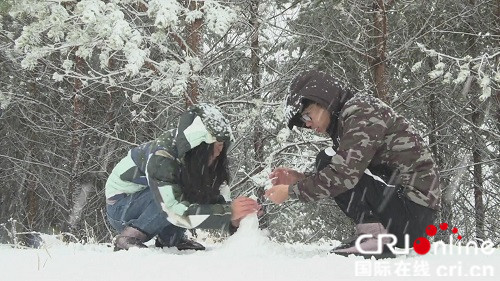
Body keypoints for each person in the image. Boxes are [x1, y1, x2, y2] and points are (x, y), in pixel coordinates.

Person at [265, 70, 441, 258]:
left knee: (327, 160)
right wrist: (299, 178)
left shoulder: (361, 111)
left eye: (307, 116)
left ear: (322, 99)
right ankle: (374, 236)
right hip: (408, 214)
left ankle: (375, 239)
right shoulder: (349, 119)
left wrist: (291, 191)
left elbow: (344, 175)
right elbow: (346, 170)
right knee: (327, 161)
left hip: (411, 212)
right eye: (303, 121)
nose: (307, 124)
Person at [105, 103, 260, 251]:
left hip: (149, 202)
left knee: (189, 191)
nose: (219, 152)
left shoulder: (195, 159)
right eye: (215, 145)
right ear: (199, 143)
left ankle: (171, 241)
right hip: (121, 207)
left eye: (221, 146)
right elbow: (171, 208)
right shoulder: (162, 156)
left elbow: (209, 199)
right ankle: (128, 237)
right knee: (175, 195)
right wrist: (227, 212)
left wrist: (233, 220)